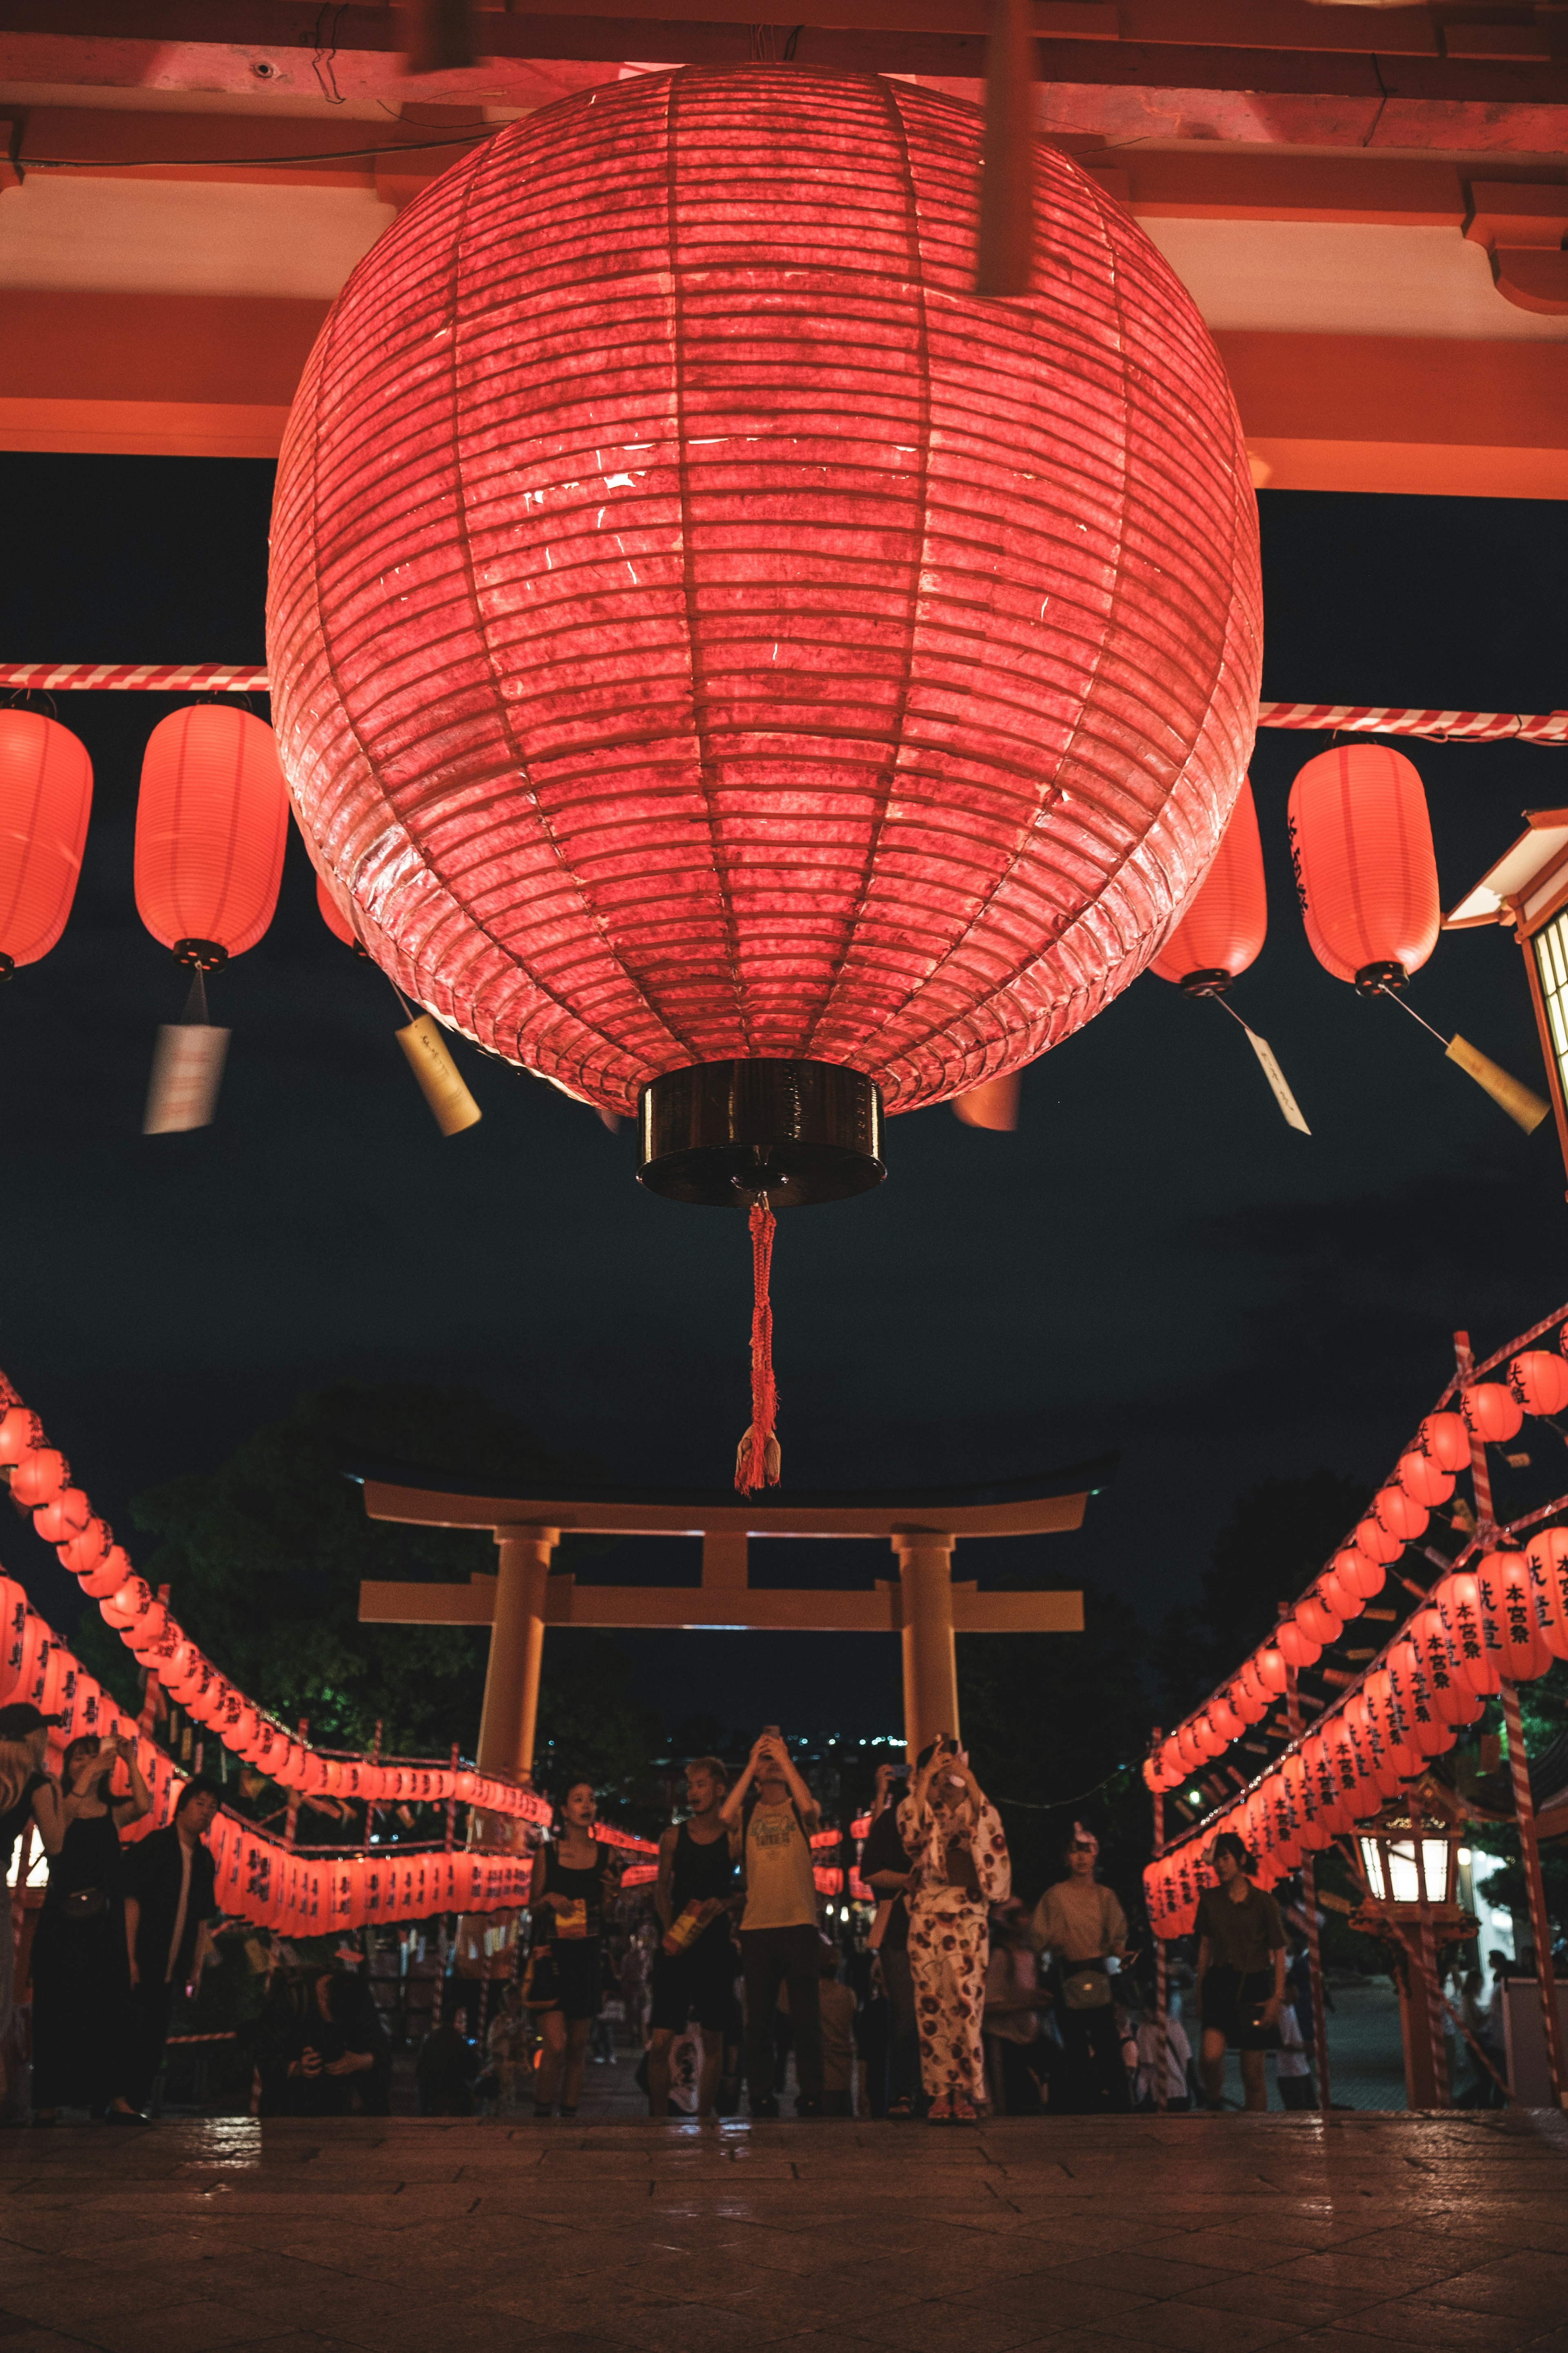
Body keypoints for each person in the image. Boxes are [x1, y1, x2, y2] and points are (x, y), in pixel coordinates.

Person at [30, 1729, 151, 2124]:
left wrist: (129, 1759)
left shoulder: (112, 1812)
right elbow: (59, 1829)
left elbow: (144, 1805)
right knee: (56, 2008)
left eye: (91, 1756)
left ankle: (113, 2097)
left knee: (107, 2009)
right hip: (62, 1921)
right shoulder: (60, 1801)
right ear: (68, 1767)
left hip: (103, 1923)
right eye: (77, 1758)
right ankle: (47, 2101)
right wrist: (89, 1773)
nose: (87, 1763)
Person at [898, 1735, 1010, 2125]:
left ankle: (965, 2090)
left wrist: (969, 1778)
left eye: (952, 1771)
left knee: (966, 2003)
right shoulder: (915, 1806)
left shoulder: (973, 1805)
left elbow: (989, 1830)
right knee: (932, 2006)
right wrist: (927, 1776)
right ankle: (940, 2093)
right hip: (928, 1914)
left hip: (967, 1915)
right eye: (939, 1771)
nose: (946, 1780)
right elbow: (912, 1836)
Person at [719, 1729, 824, 2118]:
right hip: (757, 1926)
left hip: (799, 1921)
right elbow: (724, 1815)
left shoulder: (799, 1810)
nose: (772, 1765)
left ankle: (812, 2091)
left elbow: (812, 1809)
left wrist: (785, 1757)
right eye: (767, 1761)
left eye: (775, 1760)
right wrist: (751, 1765)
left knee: (806, 2017)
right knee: (758, 2019)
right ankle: (761, 2093)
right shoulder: (747, 1816)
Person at [121, 1776, 221, 2114]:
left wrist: (195, 1967)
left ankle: (135, 2103)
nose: (206, 1812)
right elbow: (131, 1901)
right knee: (130, 2031)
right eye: (200, 1803)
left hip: (173, 1966)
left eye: (213, 1808)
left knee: (154, 2036)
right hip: (143, 1958)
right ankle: (117, 2102)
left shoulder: (204, 1860)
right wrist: (129, 1956)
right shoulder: (155, 1846)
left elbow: (202, 1919)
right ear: (183, 1805)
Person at [649, 1755, 738, 2119]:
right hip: (677, 1945)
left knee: (714, 2036)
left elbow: (747, 1889)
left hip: (715, 1945)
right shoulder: (673, 1836)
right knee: (660, 2039)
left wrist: (727, 1903)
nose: (694, 1792)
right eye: (691, 1785)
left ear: (720, 1789)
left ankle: (704, 2113)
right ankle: (657, 2113)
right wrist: (670, 1926)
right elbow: (660, 1888)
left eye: (702, 1784)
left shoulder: (733, 1839)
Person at [527, 1777, 619, 2119]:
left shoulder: (608, 1854)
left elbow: (609, 1913)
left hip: (587, 1954)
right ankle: (541, 2116)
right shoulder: (547, 1853)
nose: (587, 1805)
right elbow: (532, 1906)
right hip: (551, 1957)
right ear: (565, 1810)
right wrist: (550, 1898)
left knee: (578, 2047)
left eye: (592, 1799)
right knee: (555, 2044)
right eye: (578, 1800)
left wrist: (613, 1893)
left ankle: (568, 2117)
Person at [1031, 1822, 1134, 2114]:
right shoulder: (1055, 1896)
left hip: (1100, 1974)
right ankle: (1081, 2109)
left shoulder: (1105, 1896)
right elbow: (1038, 1937)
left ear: (1095, 1854)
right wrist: (1055, 1941)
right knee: (1075, 2049)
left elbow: (1116, 1938)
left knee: (1108, 2046)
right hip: (1067, 1976)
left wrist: (1121, 1954)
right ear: (1066, 1857)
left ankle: (1119, 2107)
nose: (1080, 1857)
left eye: (1086, 1850)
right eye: (1074, 1851)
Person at [1194, 1830, 1287, 2112]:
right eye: (1217, 1860)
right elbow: (1205, 1947)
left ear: (1241, 1859)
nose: (1220, 1865)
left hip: (1254, 1984)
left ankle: (1255, 2133)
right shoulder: (1210, 1899)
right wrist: (1200, 1991)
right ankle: (1215, 2100)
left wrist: (1276, 1997)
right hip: (1220, 1982)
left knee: (1253, 2073)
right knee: (1210, 2056)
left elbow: (1279, 1951)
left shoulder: (1263, 1902)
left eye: (1226, 1858)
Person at [0, 1705, 65, 2105]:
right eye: (43, 1732)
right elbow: (56, 1843)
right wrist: (58, 1791)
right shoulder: (36, 1782)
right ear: (31, 1737)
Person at [859, 1760, 920, 2119]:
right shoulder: (891, 1819)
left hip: (934, 1926)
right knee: (906, 2014)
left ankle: (928, 2089)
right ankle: (904, 2091)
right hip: (899, 1928)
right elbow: (870, 1868)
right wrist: (906, 1881)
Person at [258, 1966, 391, 2115]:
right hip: (290, 2111)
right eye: (335, 2020)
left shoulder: (357, 1994)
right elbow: (263, 2056)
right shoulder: (290, 1998)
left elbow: (381, 2047)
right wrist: (298, 2068)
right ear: (323, 1997)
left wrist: (362, 2061)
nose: (338, 2027)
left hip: (345, 2112)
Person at [983, 1900, 1049, 2114]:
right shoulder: (1001, 1956)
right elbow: (988, 2006)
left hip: (1027, 2034)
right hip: (1004, 2036)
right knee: (1007, 2100)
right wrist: (1025, 2004)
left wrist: (1037, 1997)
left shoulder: (1028, 1954)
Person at [483, 1981, 535, 2114]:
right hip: (500, 2067)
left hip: (514, 2069)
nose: (513, 2002)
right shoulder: (499, 2021)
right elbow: (491, 2044)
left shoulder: (520, 2022)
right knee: (496, 2102)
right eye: (510, 1999)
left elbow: (529, 2041)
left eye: (516, 1999)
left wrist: (527, 2035)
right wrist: (504, 2037)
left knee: (509, 2104)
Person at [416, 2002, 477, 2115]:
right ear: (454, 2021)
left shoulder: (429, 2038)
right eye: (461, 2021)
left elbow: (420, 2070)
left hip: (429, 2097)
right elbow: (472, 2070)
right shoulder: (458, 2042)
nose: (464, 2025)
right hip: (453, 2099)